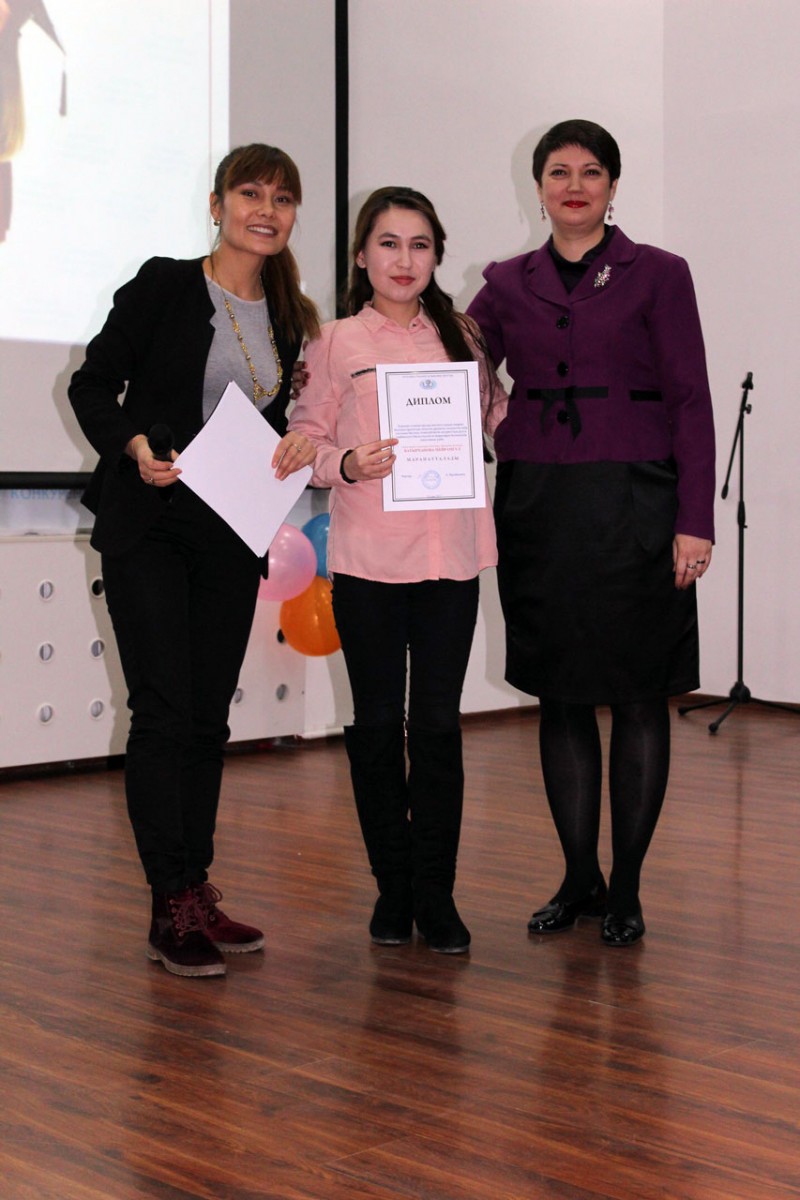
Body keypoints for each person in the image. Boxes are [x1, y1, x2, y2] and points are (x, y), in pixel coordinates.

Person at [69, 143, 320, 977]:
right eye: (250, 193)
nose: (266, 210)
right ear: (216, 205)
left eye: (282, 198)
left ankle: (195, 887)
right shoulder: (165, 285)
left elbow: (280, 423)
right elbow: (91, 385)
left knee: (209, 718)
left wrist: (296, 443)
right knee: (165, 713)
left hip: (228, 533)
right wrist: (133, 443)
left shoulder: (291, 315)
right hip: (152, 523)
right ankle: (167, 904)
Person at [467, 120, 715, 946]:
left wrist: (695, 521)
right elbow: (449, 356)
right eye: (558, 172)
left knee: (640, 695)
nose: (574, 186)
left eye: (591, 172)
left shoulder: (661, 273)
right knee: (562, 694)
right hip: (540, 507)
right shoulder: (506, 283)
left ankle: (628, 887)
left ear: (613, 186)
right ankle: (580, 878)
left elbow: (691, 400)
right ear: (537, 186)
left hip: (638, 506)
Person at [289, 187, 506, 954]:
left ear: (437, 255)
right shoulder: (332, 342)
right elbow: (305, 444)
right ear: (361, 256)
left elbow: (499, 421)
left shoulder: (465, 338)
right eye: (388, 243)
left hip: (451, 561)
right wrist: (346, 462)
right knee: (378, 725)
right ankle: (393, 888)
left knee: (439, 727)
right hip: (369, 563)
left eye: (420, 244)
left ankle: (436, 895)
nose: (404, 259)